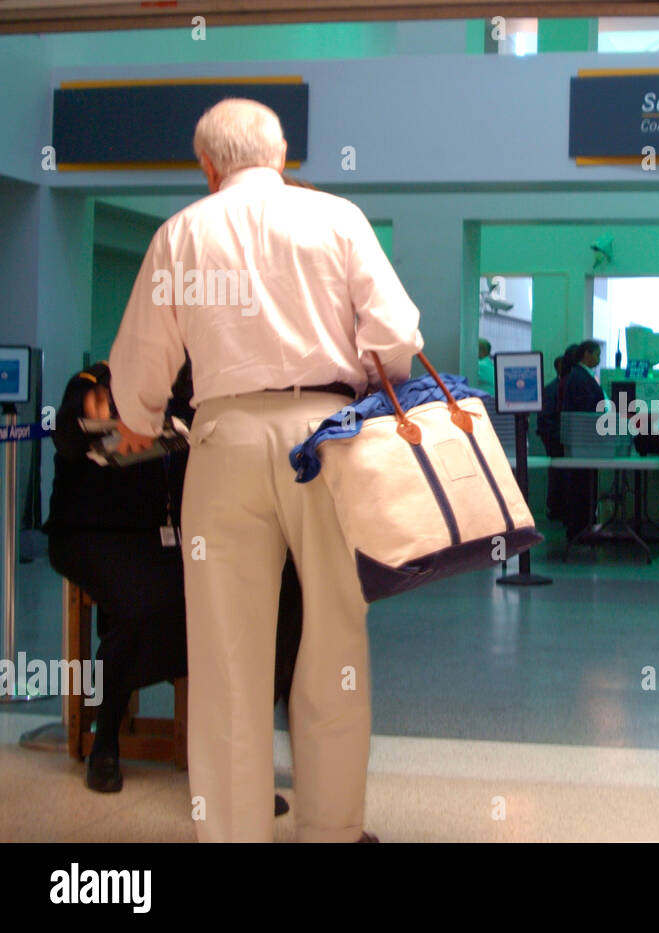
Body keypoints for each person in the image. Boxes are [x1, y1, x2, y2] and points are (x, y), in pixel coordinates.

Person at [108, 97, 423, 843]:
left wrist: (141, 420)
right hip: (329, 439)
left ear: (208, 166)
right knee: (337, 641)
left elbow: (138, 372)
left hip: (224, 443)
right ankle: (332, 830)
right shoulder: (336, 218)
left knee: (224, 659)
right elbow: (398, 344)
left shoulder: (180, 233)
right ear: (282, 156)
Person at [44, 363, 189, 794]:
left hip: (149, 539)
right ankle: (105, 737)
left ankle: (214, 752)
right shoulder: (93, 382)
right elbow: (68, 435)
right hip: (85, 535)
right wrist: (104, 406)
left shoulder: (172, 395)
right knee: (139, 603)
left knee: (198, 600)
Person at [560, 340, 605, 540]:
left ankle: (582, 526)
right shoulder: (580, 378)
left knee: (584, 485)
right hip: (583, 442)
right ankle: (579, 529)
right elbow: (587, 410)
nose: (598, 359)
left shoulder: (583, 376)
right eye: (596, 354)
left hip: (584, 442)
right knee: (580, 487)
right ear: (586, 354)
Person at [537, 355, 567, 520]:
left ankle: (556, 508)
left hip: (554, 437)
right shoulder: (553, 389)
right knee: (557, 475)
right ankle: (556, 508)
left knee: (557, 474)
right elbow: (547, 418)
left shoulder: (552, 388)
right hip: (555, 439)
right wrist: (555, 437)